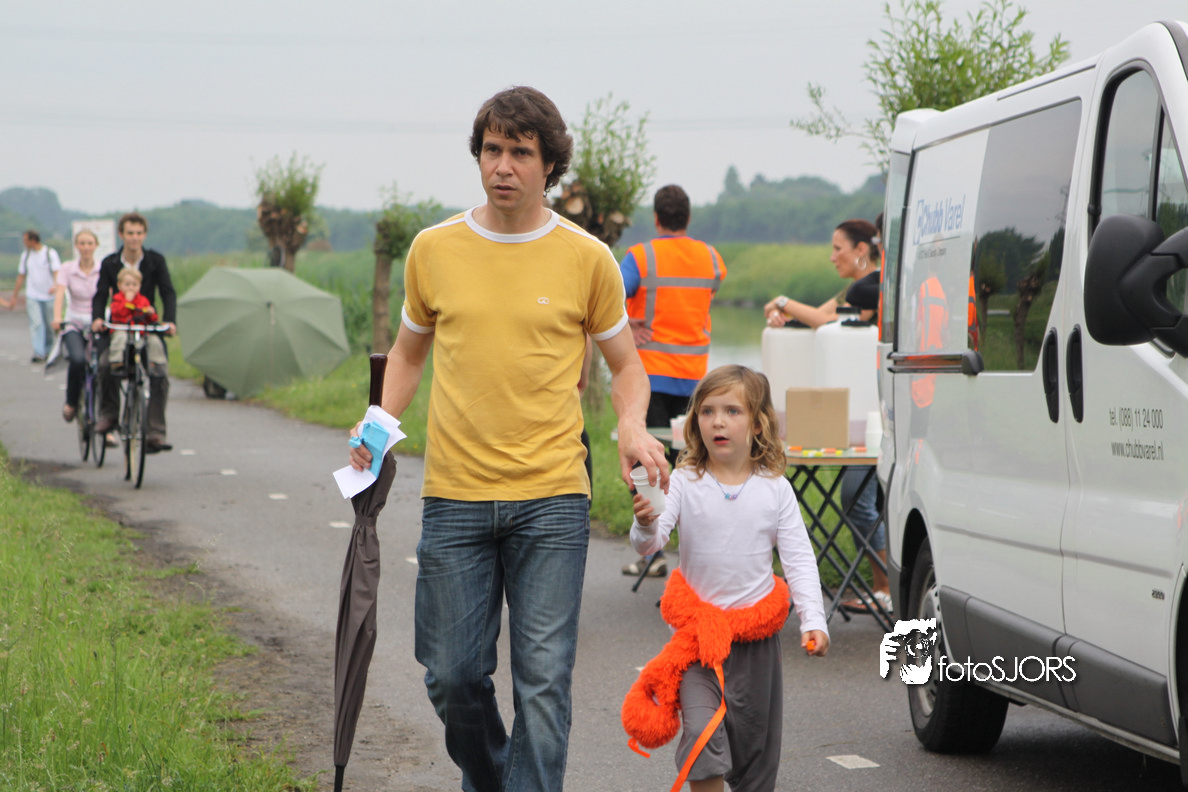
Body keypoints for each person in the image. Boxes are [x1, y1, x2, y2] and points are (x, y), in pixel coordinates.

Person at [346, 85, 668, 792]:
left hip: (552, 497)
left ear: (549, 164)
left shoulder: (587, 258)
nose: (503, 166)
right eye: (492, 149)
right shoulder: (434, 249)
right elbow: (407, 355)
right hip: (455, 496)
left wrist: (631, 426)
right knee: (452, 677)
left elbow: (626, 367)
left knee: (543, 683)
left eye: (521, 152)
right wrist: (376, 425)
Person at [623, 365, 828, 792]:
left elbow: (799, 559)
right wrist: (645, 523)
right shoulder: (684, 481)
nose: (718, 421)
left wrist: (813, 619)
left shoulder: (775, 489)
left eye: (732, 411)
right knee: (701, 741)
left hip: (755, 644)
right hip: (698, 644)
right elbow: (649, 543)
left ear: (759, 423)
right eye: (708, 411)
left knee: (755, 760)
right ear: (695, 420)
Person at [763, 218, 889, 613]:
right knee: (861, 501)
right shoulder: (857, 290)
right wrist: (782, 314)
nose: (832, 257)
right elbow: (818, 318)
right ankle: (885, 587)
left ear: (862, 250)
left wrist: (783, 301)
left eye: (838, 248)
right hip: (861, 414)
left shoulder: (876, 288)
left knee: (858, 500)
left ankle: (887, 589)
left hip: (877, 415)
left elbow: (825, 322)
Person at [619, 184, 726, 578]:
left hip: (649, 376)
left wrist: (629, 324)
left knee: (647, 464)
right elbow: (711, 288)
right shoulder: (711, 258)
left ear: (656, 218)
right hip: (696, 380)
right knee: (695, 466)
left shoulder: (641, 256)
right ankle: (698, 554)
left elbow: (607, 295)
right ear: (688, 218)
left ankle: (654, 553)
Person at [91, 212, 177, 454]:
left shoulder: (155, 261)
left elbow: (168, 292)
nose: (134, 238)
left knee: (160, 371)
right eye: (130, 233)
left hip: (146, 325)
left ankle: (155, 432)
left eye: (139, 233)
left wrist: (170, 321)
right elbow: (100, 294)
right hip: (118, 325)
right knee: (106, 365)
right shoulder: (110, 263)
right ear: (121, 234)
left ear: (145, 235)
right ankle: (109, 416)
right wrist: (97, 319)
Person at [52, 229, 102, 422]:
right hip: (74, 321)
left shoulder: (102, 268)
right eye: (82, 243)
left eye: (90, 243)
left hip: (97, 320)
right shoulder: (67, 268)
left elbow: (110, 294)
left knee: (105, 366)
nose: (86, 248)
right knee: (78, 359)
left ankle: (106, 414)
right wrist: (57, 317)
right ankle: (71, 401)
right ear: (76, 246)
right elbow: (60, 295)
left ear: (96, 245)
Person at [10, 229, 62, 363]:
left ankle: (48, 350)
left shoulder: (50, 254)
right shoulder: (26, 256)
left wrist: (55, 285)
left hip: (49, 295)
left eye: (25, 241)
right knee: (36, 324)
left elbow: (57, 272)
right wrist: (15, 296)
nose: (24, 243)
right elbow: (21, 276)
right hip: (32, 294)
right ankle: (39, 352)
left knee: (49, 325)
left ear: (33, 240)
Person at [106, 267, 160, 369]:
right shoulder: (117, 299)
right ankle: (116, 361)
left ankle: (157, 364)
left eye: (134, 285)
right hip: (123, 330)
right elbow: (118, 313)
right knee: (119, 338)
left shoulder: (143, 300)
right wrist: (127, 301)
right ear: (119, 285)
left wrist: (151, 313)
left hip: (140, 332)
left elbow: (152, 319)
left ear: (140, 286)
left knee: (154, 341)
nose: (131, 288)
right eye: (127, 284)